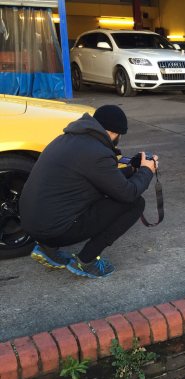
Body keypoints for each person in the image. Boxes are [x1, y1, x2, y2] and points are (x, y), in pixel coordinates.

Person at [20, 105, 157, 279]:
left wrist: (133, 170)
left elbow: (104, 178)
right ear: (116, 133)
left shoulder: (68, 139)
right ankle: (85, 261)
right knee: (136, 204)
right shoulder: (97, 154)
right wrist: (147, 171)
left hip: (32, 223)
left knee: (101, 196)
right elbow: (128, 193)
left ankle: (47, 248)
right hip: (53, 229)